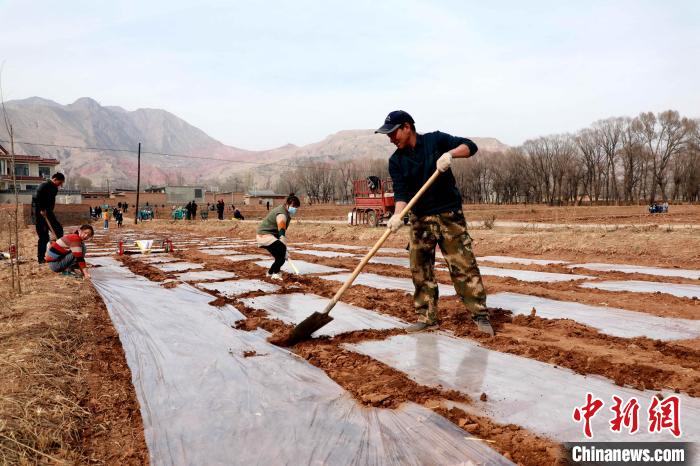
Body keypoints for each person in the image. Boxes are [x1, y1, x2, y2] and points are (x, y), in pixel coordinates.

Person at [376, 110, 494, 336]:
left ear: (407, 127)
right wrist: (397, 215)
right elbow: (401, 193)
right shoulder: (396, 161)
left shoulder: (435, 140)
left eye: (393, 133)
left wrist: (450, 154)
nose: (391, 138)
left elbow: (470, 146)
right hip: (420, 218)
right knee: (420, 268)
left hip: (449, 214)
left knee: (463, 266)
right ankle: (427, 318)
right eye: (388, 135)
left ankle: (480, 315)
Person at [256, 194, 300, 280]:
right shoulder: (282, 214)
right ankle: (276, 273)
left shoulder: (285, 211)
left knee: (280, 258)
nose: (294, 208)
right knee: (281, 253)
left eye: (296, 207)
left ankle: (270, 272)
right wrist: (284, 248)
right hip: (265, 235)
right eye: (293, 206)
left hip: (269, 236)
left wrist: (284, 250)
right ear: (287, 204)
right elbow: (281, 232)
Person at [33, 173, 65, 263]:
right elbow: (36, 198)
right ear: (55, 179)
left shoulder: (54, 188)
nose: (61, 184)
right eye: (60, 182)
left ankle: (57, 253)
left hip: (49, 214)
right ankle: (41, 258)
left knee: (59, 230)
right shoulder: (43, 186)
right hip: (41, 215)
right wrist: (42, 209)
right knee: (44, 237)